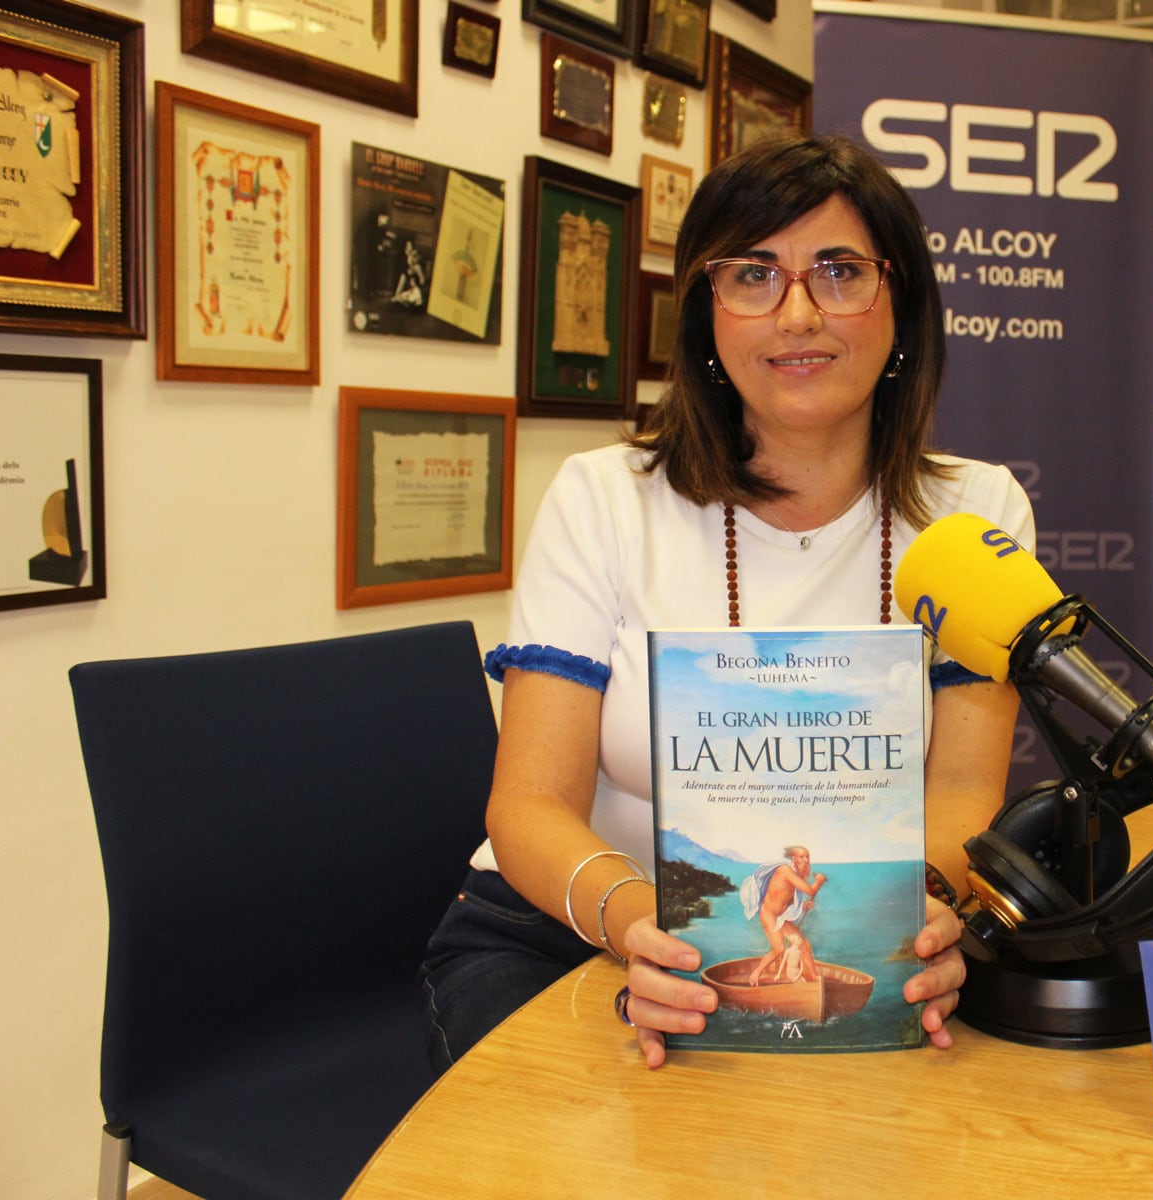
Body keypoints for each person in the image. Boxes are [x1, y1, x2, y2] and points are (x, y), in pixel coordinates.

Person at [418, 132, 1035, 1072]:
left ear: (900, 303)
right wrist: (647, 935)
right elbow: (530, 807)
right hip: (569, 932)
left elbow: (959, 793)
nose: (796, 314)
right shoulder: (603, 498)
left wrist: (918, 919)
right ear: (706, 312)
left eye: (839, 272)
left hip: (853, 953)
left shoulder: (974, 512)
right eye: (752, 275)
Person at [742, 847, 827, 986]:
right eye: (802, 857)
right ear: (794, 859)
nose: (806, 860)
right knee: (779, 948)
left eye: (807, 856)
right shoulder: (786, 871)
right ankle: (757, 972)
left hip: (781, 916)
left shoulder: (796, 874)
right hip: (769, 915)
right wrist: (819, 880)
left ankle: (814, 978)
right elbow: (810, 890)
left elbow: (786, 898)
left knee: (805, 944)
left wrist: (804, 905)